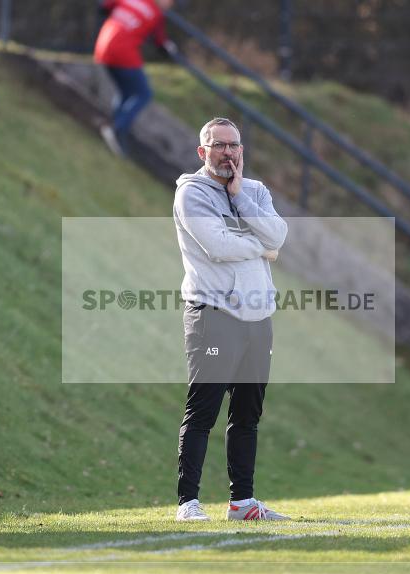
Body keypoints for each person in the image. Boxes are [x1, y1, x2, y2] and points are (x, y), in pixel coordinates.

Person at [172, 117, 290, 521]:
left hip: (258, 317)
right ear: (202, 152)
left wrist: (240, 197)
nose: (227, 152)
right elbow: (218, 247)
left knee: (247, 415)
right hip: (213, 315)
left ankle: (242, 503)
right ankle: (188, 503)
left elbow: (279, 237)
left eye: (233, 145)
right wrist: (261, 247)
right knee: (203, 411)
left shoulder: (254, 191)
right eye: (218, 145)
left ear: (242, 150)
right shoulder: (192, 194)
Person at [93, 0, 176, 156]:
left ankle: (111, 125)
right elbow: (161, 42)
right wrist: (169, 49)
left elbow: (104, 6)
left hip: (102, 47)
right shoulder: (156, 14)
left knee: (126, 92)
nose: (171, 5)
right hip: (122, 53)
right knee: (144, 94)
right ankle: (117, 129)